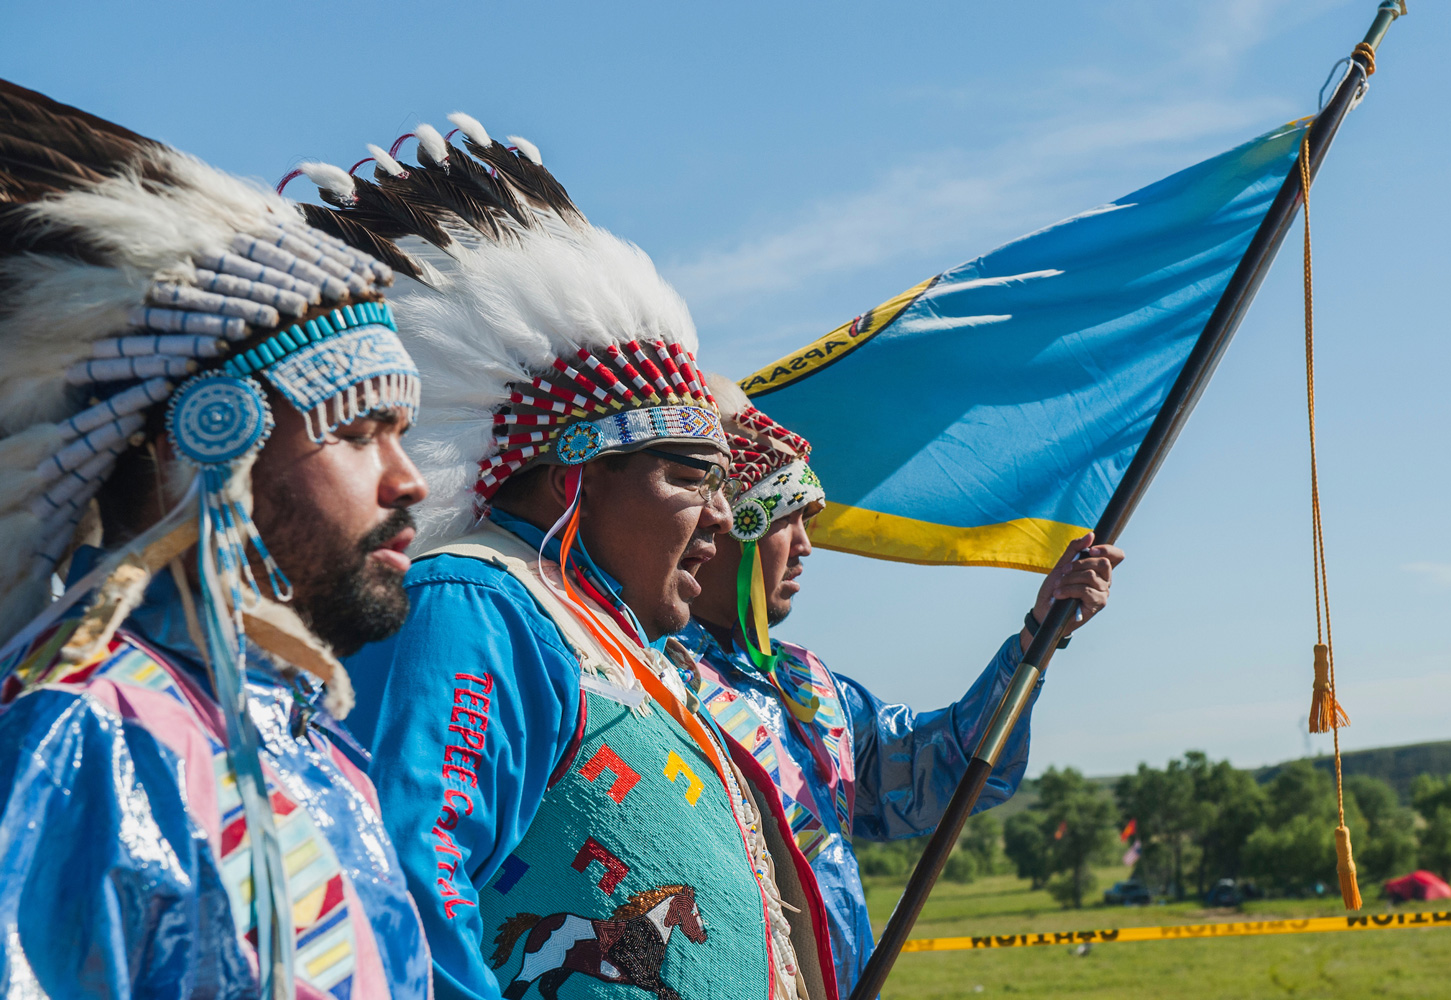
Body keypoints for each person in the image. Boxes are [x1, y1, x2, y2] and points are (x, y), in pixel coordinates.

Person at [302, 114, 838, 1000]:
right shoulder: (476, 603)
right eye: (690, 476)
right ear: (573, 484)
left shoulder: (611, 636)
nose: (720, 516)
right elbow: (403, 893)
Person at [0, 81, 433, 998]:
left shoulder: (312, 741)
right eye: (356, 431)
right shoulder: (84, 736)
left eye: (403, 435)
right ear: (206, 438)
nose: (409, 481)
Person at [675, 376, 1125, 996]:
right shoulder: (643, 671)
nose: (807, 546)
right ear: (724, 525)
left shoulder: (805, 681)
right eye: (787, 519)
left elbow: (930, 768)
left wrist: (1035, 639)